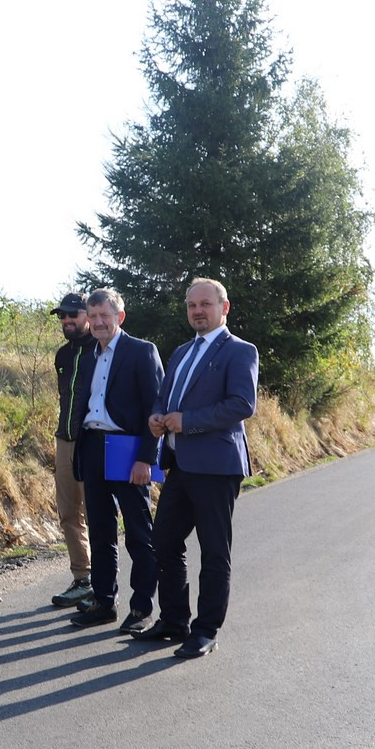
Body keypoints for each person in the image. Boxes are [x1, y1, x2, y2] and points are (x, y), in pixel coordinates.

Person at [143, 278, 258, 659]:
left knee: (213, 551)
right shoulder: (180, 352)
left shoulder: (240, 351)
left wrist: (186, 421)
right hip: (179, 465)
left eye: (205, 304)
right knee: (163, 541)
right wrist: (158, 417)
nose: (197, 311)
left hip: (217, 467)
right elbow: (164, 397)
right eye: (192, 305)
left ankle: (206, 630)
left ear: (224, 308)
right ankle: (174, 620)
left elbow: (242, 404)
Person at [65, 288, 164, 632]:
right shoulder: (88, 356)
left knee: (138, 533)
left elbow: (156, 407)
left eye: (104, 316)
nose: (98, 322)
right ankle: (104, 602)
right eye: (92, 316)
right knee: (101, 531)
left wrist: (146, 459)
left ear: (119, 317)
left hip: (128, 448)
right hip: (92, 446)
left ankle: (141, 609)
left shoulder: (141, 351)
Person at [50, 292, 97, 610]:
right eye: (62, 316)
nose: (66, 320)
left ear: (87, 316)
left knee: (97, 515)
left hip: (93, 442)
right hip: (64, 442)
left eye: (72, 315)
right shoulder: (63, 355)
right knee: (68, 513)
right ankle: (83, 580)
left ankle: (104, 582)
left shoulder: (102, 350)